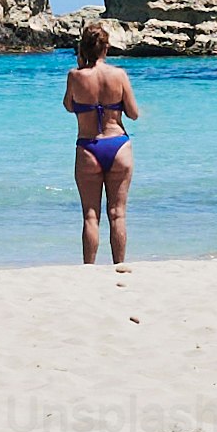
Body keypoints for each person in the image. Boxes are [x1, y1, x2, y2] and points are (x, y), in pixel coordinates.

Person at [64, 20, 141, 265]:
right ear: (105, 48)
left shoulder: (75, 76)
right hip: (118, 144)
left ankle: (89, 269)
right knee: (118, 214)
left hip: (88, 146)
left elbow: (68, 106)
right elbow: (133, 113)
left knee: (90, 215)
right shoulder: (119, 75)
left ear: (83, 50)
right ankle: (119, 264)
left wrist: (80, 67)